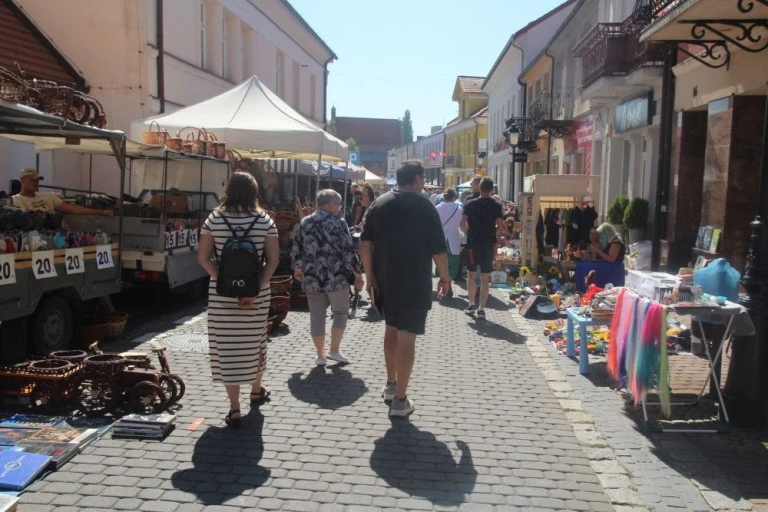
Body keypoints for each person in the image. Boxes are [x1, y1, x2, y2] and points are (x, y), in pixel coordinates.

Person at [360, 160, 451, 417]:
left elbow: (365, 244)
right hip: (414, 281)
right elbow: (438, 249)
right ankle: (400, 399)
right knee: (407, 337)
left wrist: (370, 278)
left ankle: (390, 385)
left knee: (391, 330)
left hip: (384, 279)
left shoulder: (379, 204)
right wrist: (445, 277)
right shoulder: (425, 206)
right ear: (419, 179)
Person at [197, 172, 279, 428]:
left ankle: (234, 408)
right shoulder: (265, 220)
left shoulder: (215, 218)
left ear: (228, 190)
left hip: (222, 296)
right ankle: (256, 390)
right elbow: (273, 261)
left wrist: (222, 281)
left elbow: (203, 258)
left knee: (228, 349)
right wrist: (254, 289)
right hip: (257, 294)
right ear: (254, 192)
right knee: (256, 343)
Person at [292, 189, 364, 366]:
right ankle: (334, 350)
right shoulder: (339, 223)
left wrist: (297, 268)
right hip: (336, 276)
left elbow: (296, 248)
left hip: (312, 276)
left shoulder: (304, 222)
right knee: (340, 312)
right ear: (328, 204)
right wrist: (357, 273)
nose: (340, 208)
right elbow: (348, 250)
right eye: (338, 204)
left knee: (317, 316)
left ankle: (320, 355)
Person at [460, 177, 504, 320]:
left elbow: (462, 224)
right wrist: (495, 236)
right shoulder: (496, 206)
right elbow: (500, 226)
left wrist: (470, 234)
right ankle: (482, 309)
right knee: (486, 278)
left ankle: (471, 303)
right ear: (492, 190)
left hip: (473, 244)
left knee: (471, 275)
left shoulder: (470, 203)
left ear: (479, 188)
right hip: (488, 245)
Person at [12, 168, 113, 216]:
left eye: (37, 180)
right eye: (32, 180)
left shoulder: (48, 196)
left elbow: (74, 209)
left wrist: (101, 212)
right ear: (22, 180)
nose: (36, 183)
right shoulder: (16, 200)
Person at [435, 188, 462, 296]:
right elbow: (461, 223)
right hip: (453, 237)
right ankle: (448, 283)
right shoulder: (459, 208)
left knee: (441, 263)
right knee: (453, 263)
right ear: (454, 197)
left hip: (440, 238)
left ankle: (443, 282)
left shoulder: (437, 208)